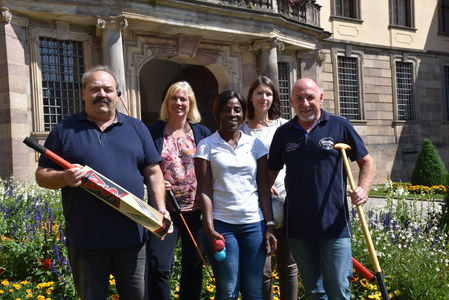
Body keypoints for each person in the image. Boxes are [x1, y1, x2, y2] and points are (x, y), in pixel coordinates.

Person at [34, 65, 169, 300]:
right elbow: (41, 175)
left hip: (132, 236)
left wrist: (160, 207)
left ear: (117, 94)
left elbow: (154, 171)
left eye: (108, 89)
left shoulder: (137, 128)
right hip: (86, 238)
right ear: (83, 93)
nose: (102, 94)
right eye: (95, 89)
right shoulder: (64, 130)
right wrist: (63, 178)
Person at [268, 78, 375, 300]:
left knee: (338, 288)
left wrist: (363, 189)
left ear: (321, 98)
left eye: (310, 97)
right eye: (299, 99)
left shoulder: (339, 125)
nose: (305, 103)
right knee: (314, 291)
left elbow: (366, 161)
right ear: (292, 103)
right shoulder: (284, 133)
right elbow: (269, 172)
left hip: (334, 224)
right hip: (298, 225)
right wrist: (265, 189)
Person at [194, 90, 277, 300]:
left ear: (243, 113)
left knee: (254, 290)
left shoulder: (255, 145)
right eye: (226, 110)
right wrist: (209, 228)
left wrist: (269, 225)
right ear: (218, 113)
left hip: (253, 225)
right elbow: (204, 190)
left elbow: (263, 188)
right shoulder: (206, 146)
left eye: (237, 110)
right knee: (228, 289)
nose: (232, 114)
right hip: (222, 226)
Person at [146, 81, 211, 300]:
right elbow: (142, 165)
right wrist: (153, 183)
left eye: (183, 98)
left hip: (196, 210)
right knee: (158, 265)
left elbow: (212, 167)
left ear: (190, 103)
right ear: (167, 102)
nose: (178, 103)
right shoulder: (153, 132)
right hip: (164, 211)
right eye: (174, 98)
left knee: (193, 266)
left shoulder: (202, 132)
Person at [241, 76, 298, 300]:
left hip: (287, 200)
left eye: (268, 93)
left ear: (273, 97)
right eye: (259, 93)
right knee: (263, 267)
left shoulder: (284, 126)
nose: (263, 98)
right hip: (257, 204)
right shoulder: (242, 130)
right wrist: (262, 185)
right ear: (251, 98)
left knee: (289, 265)